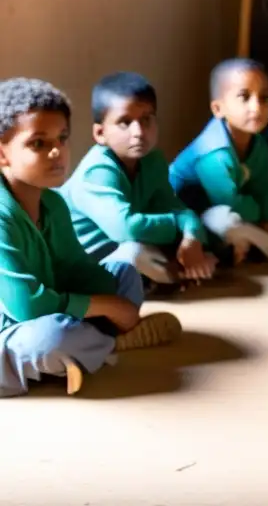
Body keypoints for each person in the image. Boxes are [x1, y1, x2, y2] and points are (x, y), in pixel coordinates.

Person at [0, 78, 181, 397]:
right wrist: (108, 308)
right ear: (3, 154)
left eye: (63, 138)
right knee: (53, 338)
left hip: (54, 305)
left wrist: (112, 295)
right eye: (38, 143)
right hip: (15, 327)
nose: (57, 151)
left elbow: (75, 266)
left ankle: (84, 353)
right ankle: (105, 343)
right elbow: (26, 305)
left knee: (125, 272)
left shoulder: (52, 202)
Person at [61, 72, 216, 291]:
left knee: (196, 246)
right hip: (84, 266)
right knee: (134, 252)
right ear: (100, 133)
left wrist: (191, 235)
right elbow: (126, 228)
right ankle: (175, 276)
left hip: (125, 248)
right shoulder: (96, 172)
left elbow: (174, 206)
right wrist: (178, 223)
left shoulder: (153, 162)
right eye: (125, 122)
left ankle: (173, 274)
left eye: (146, 119)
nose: (139, 132)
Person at [169, 58, 268, 263]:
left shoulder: (259, 145)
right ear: (218, 109)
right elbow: (228, 201)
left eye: (264, 98)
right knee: (227, 219)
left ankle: (248, 245)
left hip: (232, 210)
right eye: (244, 97)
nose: (257, 107)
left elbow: (265, 189)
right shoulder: (213, 153)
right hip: (188, 216)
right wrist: (264, 223)